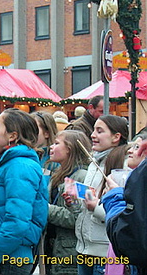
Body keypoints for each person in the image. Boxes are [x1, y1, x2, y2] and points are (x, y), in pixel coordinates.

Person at [0, 108, 48, 275]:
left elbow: (17, 223)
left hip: (9, 259)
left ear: (12, 136)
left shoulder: (19, 166)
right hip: (4, 255)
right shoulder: (10, 163)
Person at [64, 115, 129, 275]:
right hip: (84, 249)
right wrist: (73, 203)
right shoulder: (94, 162)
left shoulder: (123, 166)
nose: (93, 135)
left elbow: (123, 212)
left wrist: (96, 207)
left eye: (99, 131)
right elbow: (85, 207)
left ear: (116, 137)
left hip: (105, 253)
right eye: (93, 130)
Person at [44, 130, 91, 275]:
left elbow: (78, 218)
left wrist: (45, 209)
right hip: (54, 248)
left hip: (69, 254)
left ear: (69, 149)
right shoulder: (57, 174)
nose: (51, 147)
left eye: (57, 143)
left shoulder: (81, 177)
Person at [101, 133, 147, 275]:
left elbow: (131, 239)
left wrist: (114, 198)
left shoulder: (139, 177)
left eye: (137, 147)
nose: (131, 151)